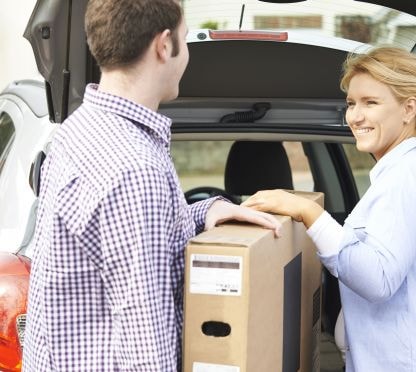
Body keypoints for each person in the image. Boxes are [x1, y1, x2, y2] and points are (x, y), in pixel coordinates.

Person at [22, 1, 280, 371]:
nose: (186, 54)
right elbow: (146, 346)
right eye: (185, 40)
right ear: (164, 46)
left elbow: (112, 241)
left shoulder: (76, 132)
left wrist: (207, 209)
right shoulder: (136, 168)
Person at [243, 46, 416, 371]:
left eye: (371, 103)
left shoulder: (408, 179)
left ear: (408, 109)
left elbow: (377, 279)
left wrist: (308, 212)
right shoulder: (402, 174)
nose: (355, 116)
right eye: (352, 104)